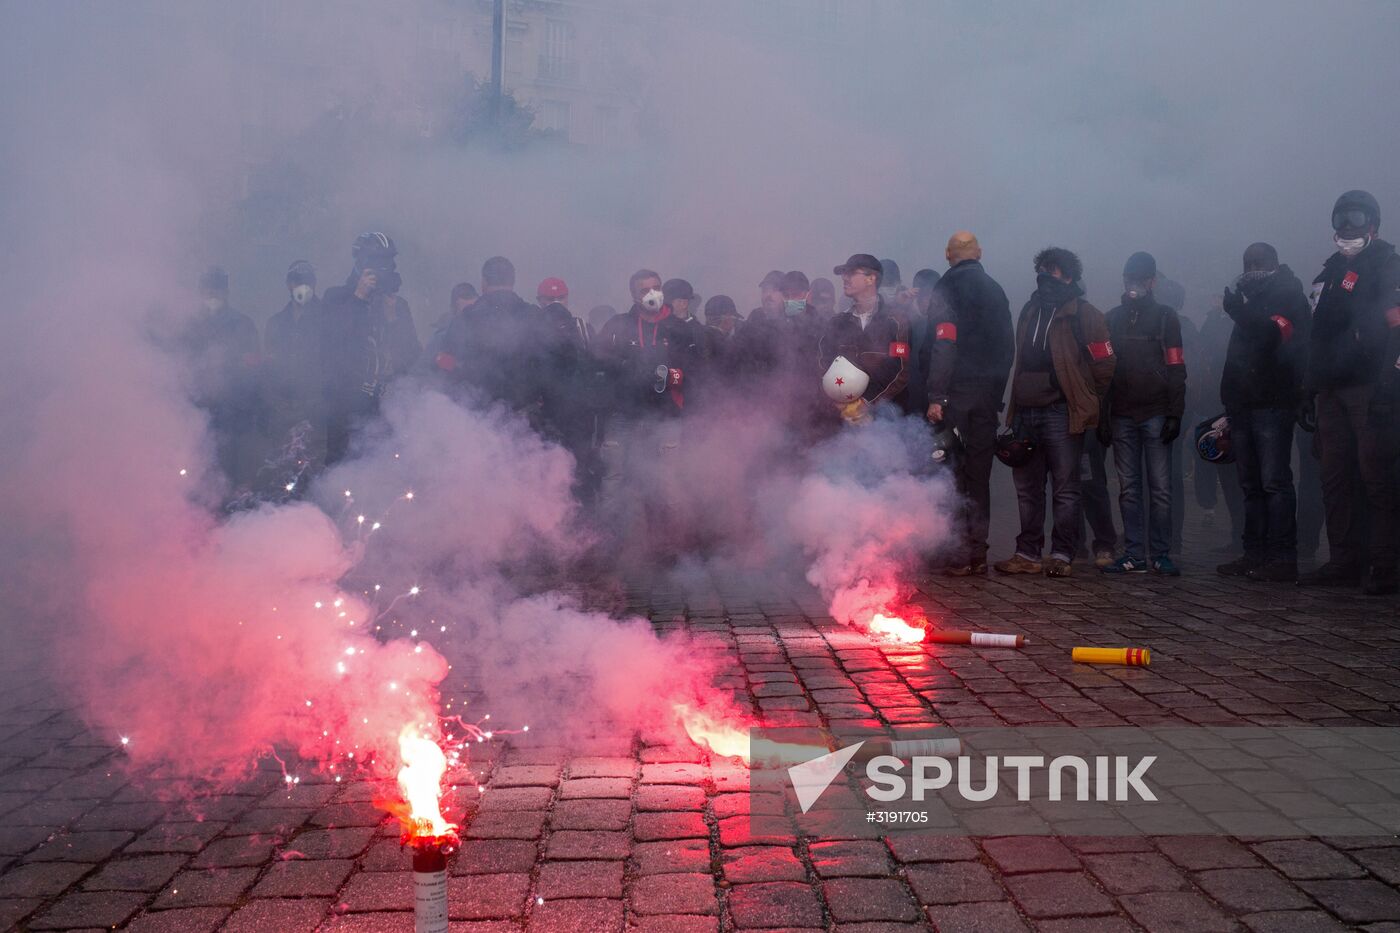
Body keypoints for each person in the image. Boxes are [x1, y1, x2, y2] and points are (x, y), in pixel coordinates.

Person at [1301, 190, 1400, 594]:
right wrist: (1308, 388)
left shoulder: (1387, 266)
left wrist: (1388, 386)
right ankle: (1344, 560)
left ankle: (1385, 564)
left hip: (1369, 387)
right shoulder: (1328, 273)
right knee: (1335, 477)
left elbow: (1397, 331)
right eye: (1340, 218)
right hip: (1330, 388)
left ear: (1373, 223)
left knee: (1377, 478)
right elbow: (1317, 334)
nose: (1347, 226)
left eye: (1356, 217)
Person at [996, 247, 1115, 578]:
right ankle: (1028, 553)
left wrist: (1083, 397)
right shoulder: (1029, 310)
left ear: (1070, 276)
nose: (1046, 276)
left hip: (1061, 412)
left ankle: (1063, 553)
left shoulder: (1085, 314)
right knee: (1027, 488)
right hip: (1026, 411)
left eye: (1054, 270)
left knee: (1066, 487)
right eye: (1043, 269)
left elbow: (1105, 365)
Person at [1214, 243, 1311, 582]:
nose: (1252, 269)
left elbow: (1274, 334)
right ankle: (1253, 553)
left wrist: (1238, 312)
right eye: (1248, 263)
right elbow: (1238, 355)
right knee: (1250, 485)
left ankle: (1283, 558)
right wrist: (1228, 399)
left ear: (1274, 263)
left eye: (1259, 262)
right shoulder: (1250, 299)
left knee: (1274, 483)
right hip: (1242, 404)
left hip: (1273, 403)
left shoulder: (1289, 296)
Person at [924, 233, 1013, 575]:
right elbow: (1007, 348)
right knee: (979, 476)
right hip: (986, 398)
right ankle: (977, 552)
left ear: (948, 254)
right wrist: (995, 392)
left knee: (955, 474)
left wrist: (937, 395)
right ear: (979, 253)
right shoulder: (996, 289)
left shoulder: (947, 288)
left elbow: (944, 343)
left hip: (956, 396)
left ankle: (960, 553)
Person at [594, 269, 693, 558]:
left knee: (666, 483)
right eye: (644, 290)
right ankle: (611, 547)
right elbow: (596, 363)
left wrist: (668, 377)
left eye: (656, 287)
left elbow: (695, 369)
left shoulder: (678, 328)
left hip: (665, 417)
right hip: (622, 415)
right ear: (633, 295)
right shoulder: (617, 326)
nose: (651, 294)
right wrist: (626, 368)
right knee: (614, 480)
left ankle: (667, 548)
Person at [1098, 251, 1186, 577]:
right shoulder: (1111, 319)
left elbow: (1176, 367)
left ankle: (1160, 554)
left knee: (1160, 489)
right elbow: (1103, 371)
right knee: (1129, 489)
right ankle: (1134, 553)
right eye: (1128, 279)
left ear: (1152, 282)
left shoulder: (1166, 318)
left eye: (1139, 279)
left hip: (1156, 413)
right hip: (1122, 415)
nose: (1133, 285)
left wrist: (1175, 412)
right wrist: (1103, 415)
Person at [320, 233, 396, 465]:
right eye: (377, 262)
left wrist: (393, 319)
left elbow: (409, 350)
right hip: (345, 405)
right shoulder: (336, 297)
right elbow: (332, 339)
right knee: (340, 466)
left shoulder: (394, 304)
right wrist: (359, 297)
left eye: (387, 262)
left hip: (383, 406)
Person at [182, 266, 261, 487]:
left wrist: (247, 408)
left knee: (229, 472)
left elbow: (253, 370)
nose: (212, 293)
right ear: (200, 291)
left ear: (226, 292)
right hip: (197, 410)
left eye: (217, 288)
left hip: (232, 412)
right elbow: (181, 364)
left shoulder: (243, 324)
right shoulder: (190, 325)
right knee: (196, 469)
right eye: (208, 288)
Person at [442, 255, 543, 413]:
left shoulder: (465, 319)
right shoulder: (534, 316)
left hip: (476, 416)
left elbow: (448, 364)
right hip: (526, 416)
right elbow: (547, 365)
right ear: (513, 281)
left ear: (484, 282)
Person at [819, 253, 910, 422]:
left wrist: (866, 402)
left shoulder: (895, 321)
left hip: (885, 418)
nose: (844, 278)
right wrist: (841, 400)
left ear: (871, 279)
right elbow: (824, 362)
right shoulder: (837, 322)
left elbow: (900, 371)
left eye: (851, 273)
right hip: (843, 415)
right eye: (844, 274)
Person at [264, 259, 325, 460]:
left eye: (308, 281)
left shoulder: (328, 319)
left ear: (315, 283)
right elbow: (269, 368)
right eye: (298, 281)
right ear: (288, 284)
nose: (303, 286)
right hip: (282, 412)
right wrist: (275, 404)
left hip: (317, 411)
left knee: (313, 467)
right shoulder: (276, 323)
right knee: (280, 467)